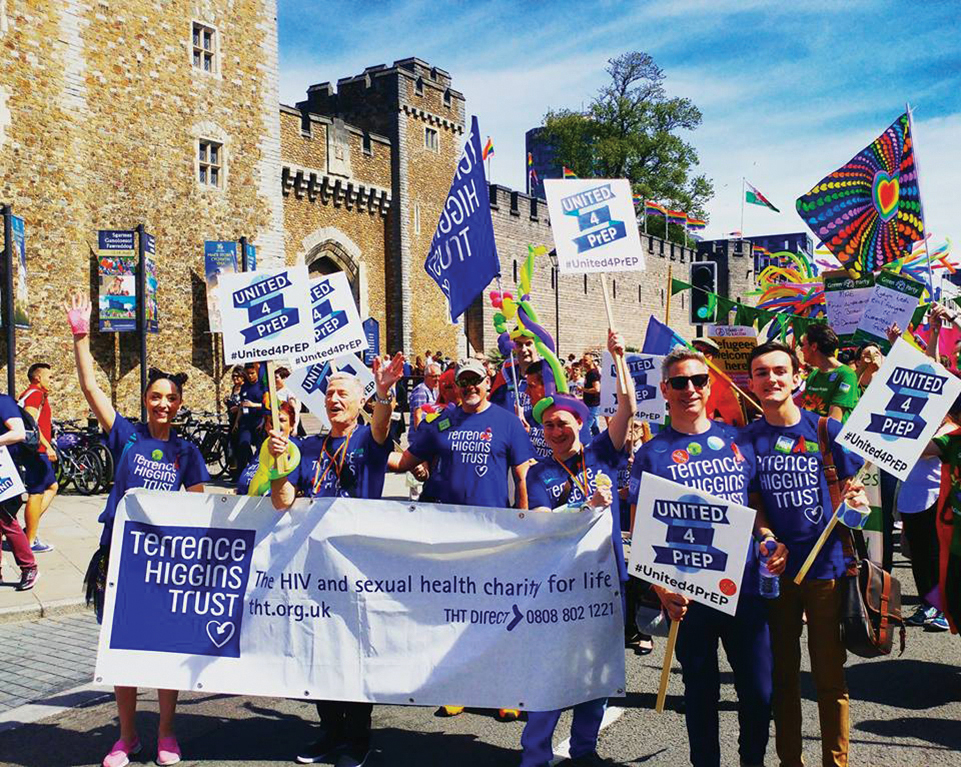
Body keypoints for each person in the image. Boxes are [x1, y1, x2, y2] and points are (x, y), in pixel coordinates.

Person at [65, 293, 209, 767]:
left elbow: (198, 509)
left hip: (166, 564)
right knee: (122, 652)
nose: (162, 403)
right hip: (120, 557)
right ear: (145, 402)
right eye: (155, 396)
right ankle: (127, 737)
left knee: (164, 650)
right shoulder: (127, 437)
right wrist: (81, 337)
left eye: (170, 398)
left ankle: (167, 732)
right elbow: (90, 389)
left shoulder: (188, 453)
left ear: (180, 403)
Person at [628, 347, 786, 767]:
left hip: (745, 587)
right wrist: (660, 588)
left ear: (709, 385)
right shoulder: (652, 454)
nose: (690, 389)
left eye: (697, 381)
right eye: (679, 382)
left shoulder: (739, 440)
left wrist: (769, 537)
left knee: (759, 690)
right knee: (701, 694)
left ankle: (752, 761)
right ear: (665, 390)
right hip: (689, 593)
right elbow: (640, 528)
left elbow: (756, 508)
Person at [267, 353, 405, 767]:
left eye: (343, 392)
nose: (334, 398)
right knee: (319, 650)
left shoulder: (368, 440)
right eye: (329, 392)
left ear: (358, 400)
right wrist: (279, 464)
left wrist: (384, 392)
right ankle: (329, 731)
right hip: (314, 567)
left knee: (355, 651)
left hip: (359, 566)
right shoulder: (307, 446)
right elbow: (282, 501)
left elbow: (382, 424)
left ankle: (356, 738)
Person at [745, 341, 869, 767]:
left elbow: (856, 493)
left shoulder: (824, 431)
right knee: (783, 679)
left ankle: (836, 762)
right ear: (754, 382)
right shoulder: (749, 440)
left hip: (826, 571)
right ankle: (789, 762)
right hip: (776, 575)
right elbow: (754, 501)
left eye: (780, 371)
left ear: (797, 377)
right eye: (762, 372)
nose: (771, 379)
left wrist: (856, 501)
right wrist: (764, 535)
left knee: (829, 678)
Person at [393, 358, 534, 718]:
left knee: (500, 613)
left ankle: (507, 689)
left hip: (495, 532)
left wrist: (526, 523)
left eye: (476, 380)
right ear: (455, 386)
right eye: (463, 381)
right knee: (455, 613)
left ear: (488, 383)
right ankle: (462, 687)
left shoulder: (506, 421)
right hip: (449, 534)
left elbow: (522, 476)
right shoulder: (441, 421)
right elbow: (406, 461)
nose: (470, 387)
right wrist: (371, 449)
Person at [519, 330, 635, 767]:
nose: (554, 431)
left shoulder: (604, 452)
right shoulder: (539, 472)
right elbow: (545, 524)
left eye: (562, 424)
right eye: (547, 425)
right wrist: (583, 505)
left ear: (580, 425)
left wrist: (617, 358)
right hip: (561, 582)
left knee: (598, 669)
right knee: (551, 668)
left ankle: (585, 749)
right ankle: (534, 753)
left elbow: (626, 407)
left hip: (607, 577)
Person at [18, 362, 59, 552]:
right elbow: (31, 422)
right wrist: (47, 445)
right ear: (37, 377)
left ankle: (28, 528)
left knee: (52, 486)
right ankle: (29, 540)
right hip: (36, 452)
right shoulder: (35, 394)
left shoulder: (30, 393)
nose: (51, 381)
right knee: (36, 492)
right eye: (48, 377)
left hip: (34, 452)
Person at [0, 394, 35, 590]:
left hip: (5, 472)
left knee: (6, 521)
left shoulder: (3, 402)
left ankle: (29, 567)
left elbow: (18, 433)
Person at [798, 324, 859, 423]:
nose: (801, 349)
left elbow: (833, 422)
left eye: (803, 345)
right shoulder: (813, 375)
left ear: (814, 346)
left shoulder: (846, 375)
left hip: (826, 437)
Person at [237, 400, 298, 496]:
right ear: (266, 426)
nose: (276, 426)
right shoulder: (262, 450)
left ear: (291, 425)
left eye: (282, 420)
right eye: (272, 422)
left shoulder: (298, 452)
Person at [692, 338, 747, 427]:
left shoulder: (718, 381)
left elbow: (733, 417)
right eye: (698, 350)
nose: (701, 355)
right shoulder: (674, 371)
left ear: (711, 358)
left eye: (707, 353)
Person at [235, 362, 265, 475]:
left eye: (252, 373)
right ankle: (241, 474)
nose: (250, 376)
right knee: (243, 445)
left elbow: (267, 405)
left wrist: (254, 405)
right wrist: (237, 421)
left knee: (260, 449)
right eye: (248, 374)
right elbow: (242, 405)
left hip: (258, 421)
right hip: (245, 422)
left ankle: (259, 472)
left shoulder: (262, 386)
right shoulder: (245, 386)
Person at [409, 362, 440, 429]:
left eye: (439, 376)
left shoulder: (433, 390)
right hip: (421, 436)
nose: (437, 379)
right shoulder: (421, 390)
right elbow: (418, 416)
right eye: (434, 376)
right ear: (426, 377)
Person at [581, 353, 602, 435]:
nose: (584, 362)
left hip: (592, 403)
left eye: (586, 360)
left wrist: (583, 389)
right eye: (583, 360)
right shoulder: (589, 372)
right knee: (594, 427)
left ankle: (582, 442)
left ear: (591, 361)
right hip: (590, 403)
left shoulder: (593, 373)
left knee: (586, 426)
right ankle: (598, 442)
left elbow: (597, 389)